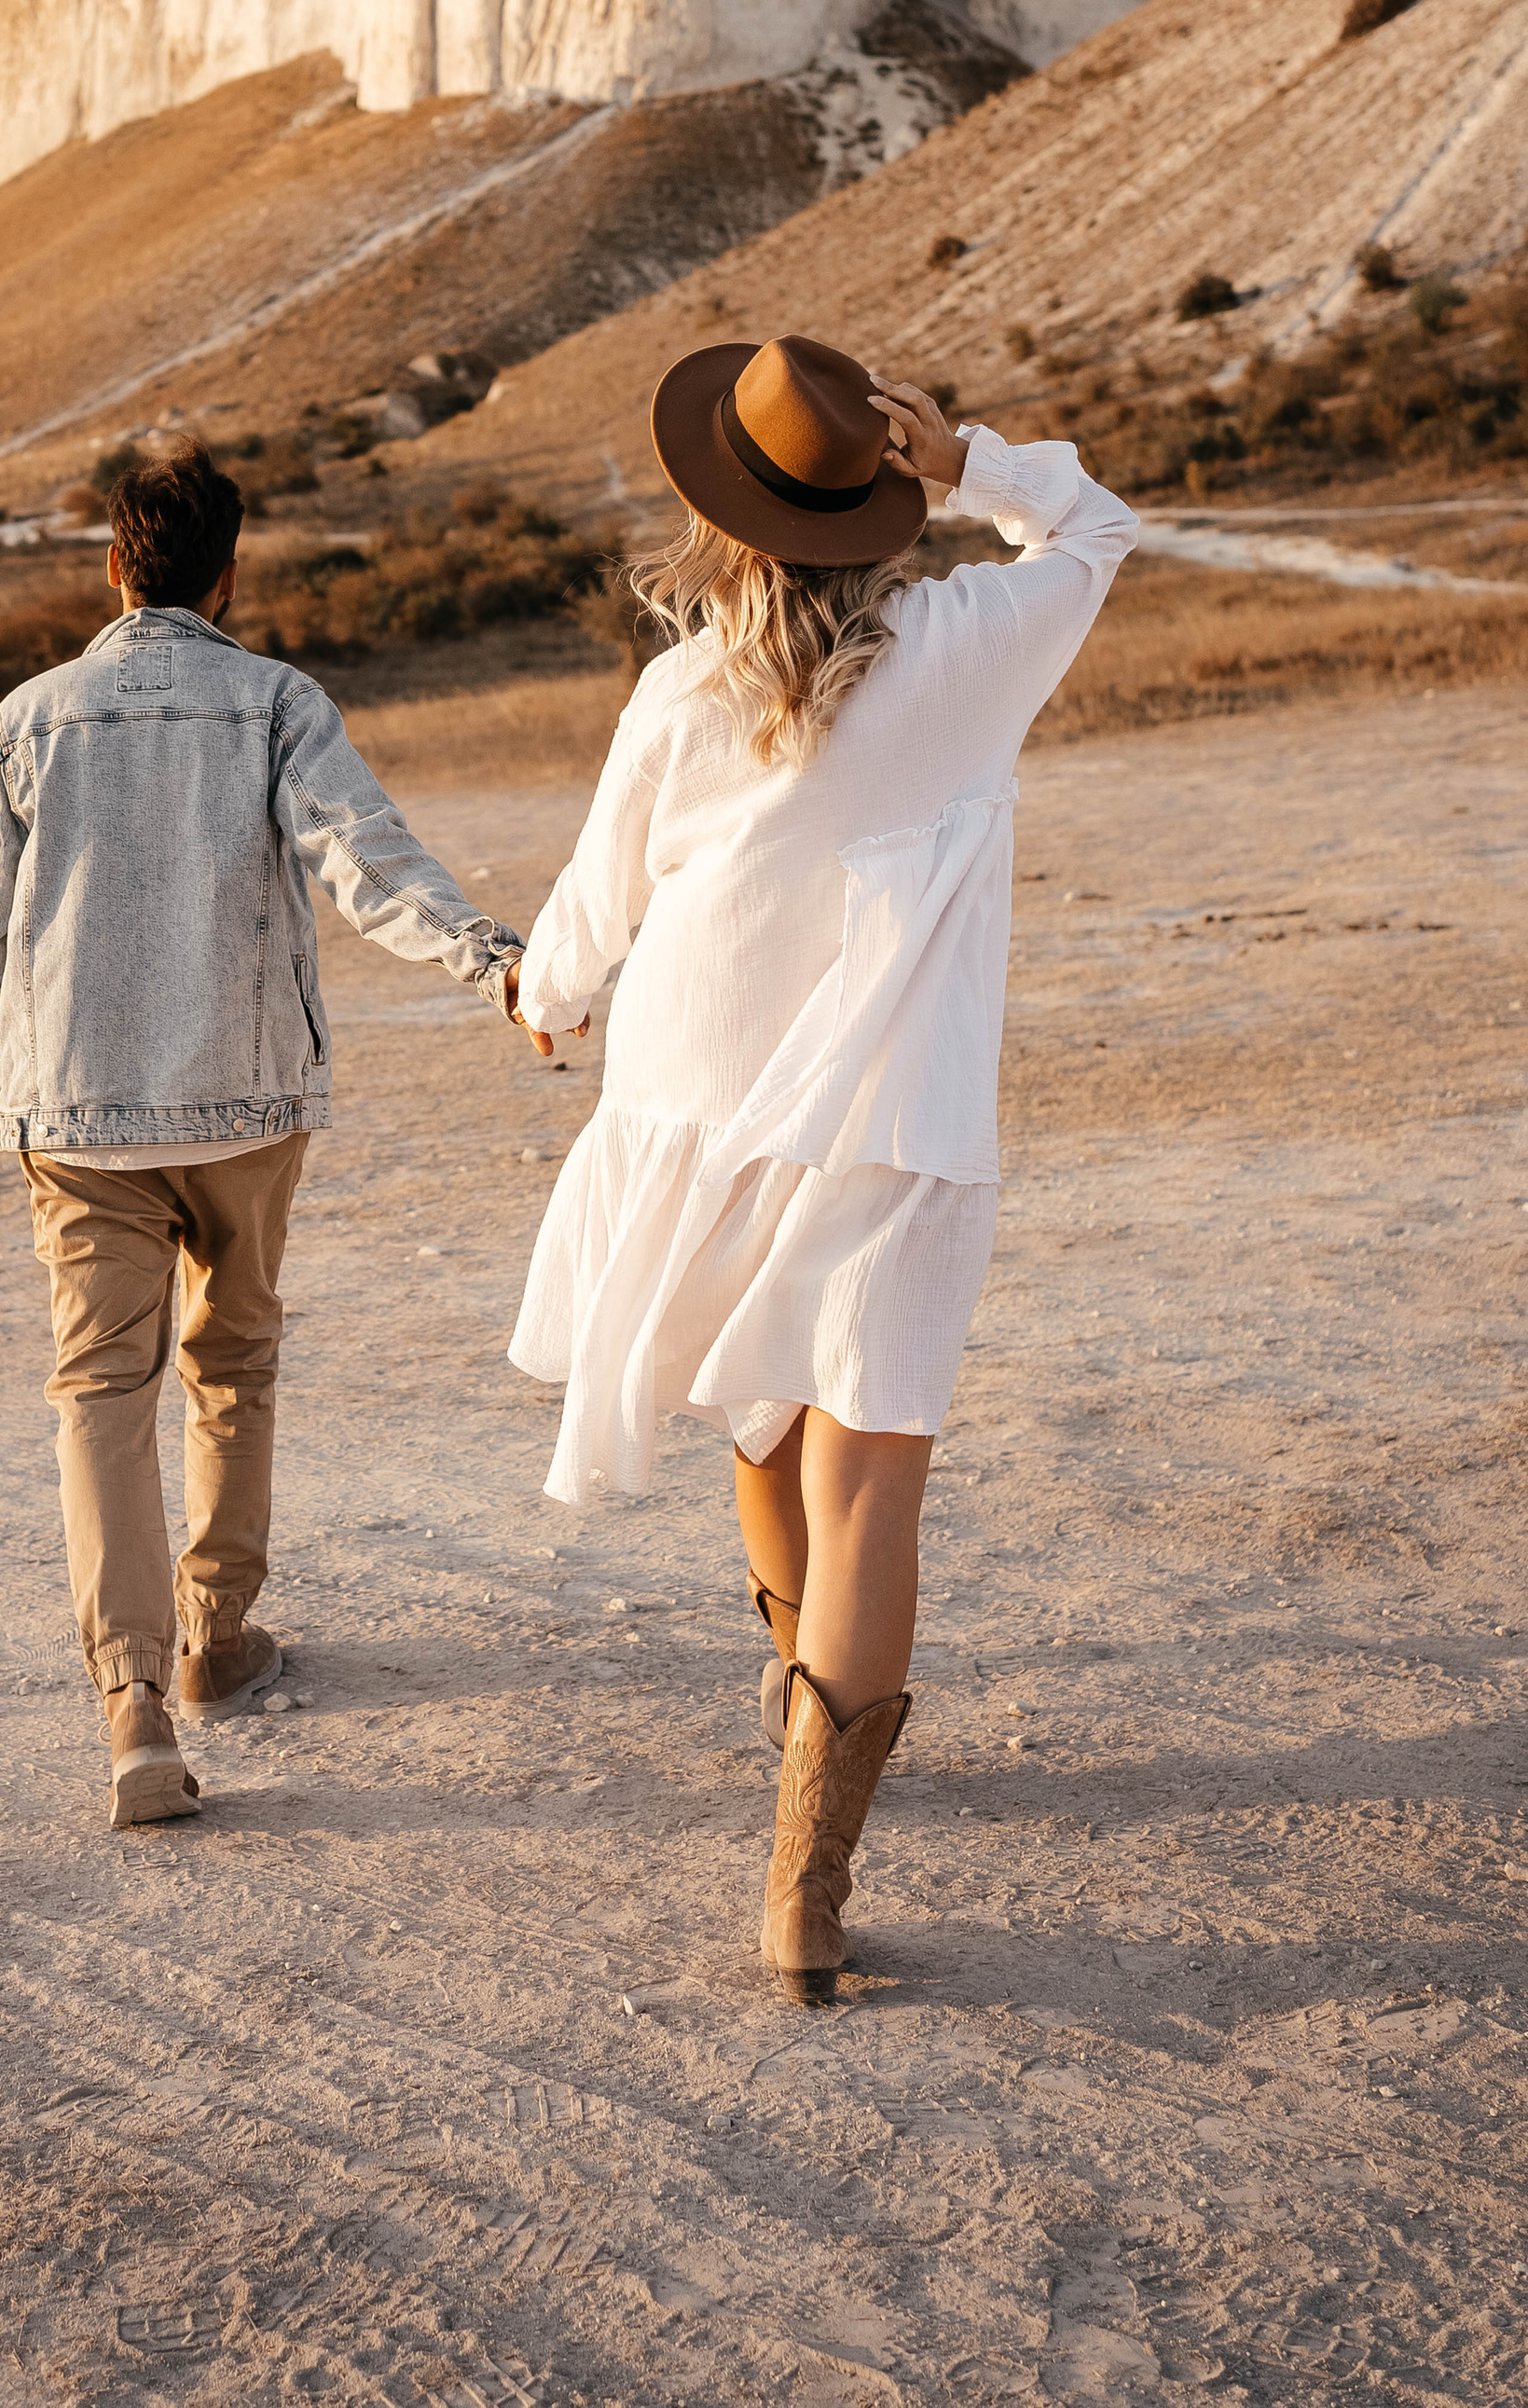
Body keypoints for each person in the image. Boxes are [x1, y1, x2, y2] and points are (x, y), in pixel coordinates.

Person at [502, 335, 1136, 2000]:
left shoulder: (678, 694)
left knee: (762, 1429)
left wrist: (542, 996)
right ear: (880, 497)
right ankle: (806, 1876)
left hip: (703, 1109)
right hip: (891, 1124)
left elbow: (593, 909)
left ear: (724, 518)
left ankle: (808, 1711)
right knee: (865, 1481)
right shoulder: (970, 648)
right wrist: (973, 462)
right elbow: (1098, 533)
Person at [0, 437, 525, 1832]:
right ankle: (215, 1641)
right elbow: (364, 857)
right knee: (233, 1363)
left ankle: (130, 1700)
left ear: (112, 565)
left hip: (73, 1117)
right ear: (229, 572)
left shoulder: (28, 719)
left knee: (99, 1395)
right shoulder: (273, 703)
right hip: (247, 1105)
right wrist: (490, 956)